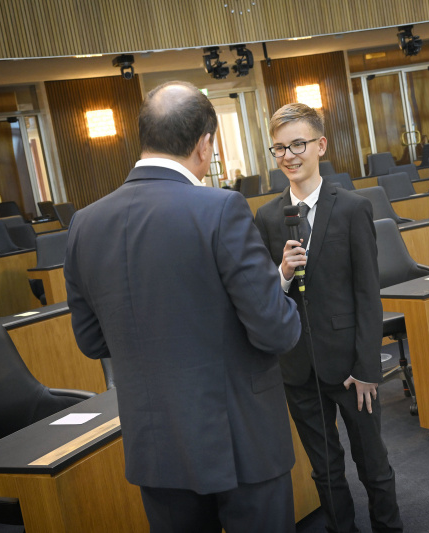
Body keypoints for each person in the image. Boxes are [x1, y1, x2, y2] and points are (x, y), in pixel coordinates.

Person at [64, 81, 302, 532]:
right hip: (240, 442)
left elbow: (92, 340)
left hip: (157, 448)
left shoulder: (84, 224)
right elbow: (275, 331)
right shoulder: (221, 209)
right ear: (205, 143)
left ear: (144, 137)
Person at [254, 103, 403, 532]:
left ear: (320, 145)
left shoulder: (353, 207)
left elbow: (366, 297)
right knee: (326, 472)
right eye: (279, 148)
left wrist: (367, 368)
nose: (288, 156)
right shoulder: (267, 218)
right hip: (297, 370)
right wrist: (281, 274)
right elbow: (264, 298)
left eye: (297, 144)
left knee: (373, 465)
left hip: (351, 369)